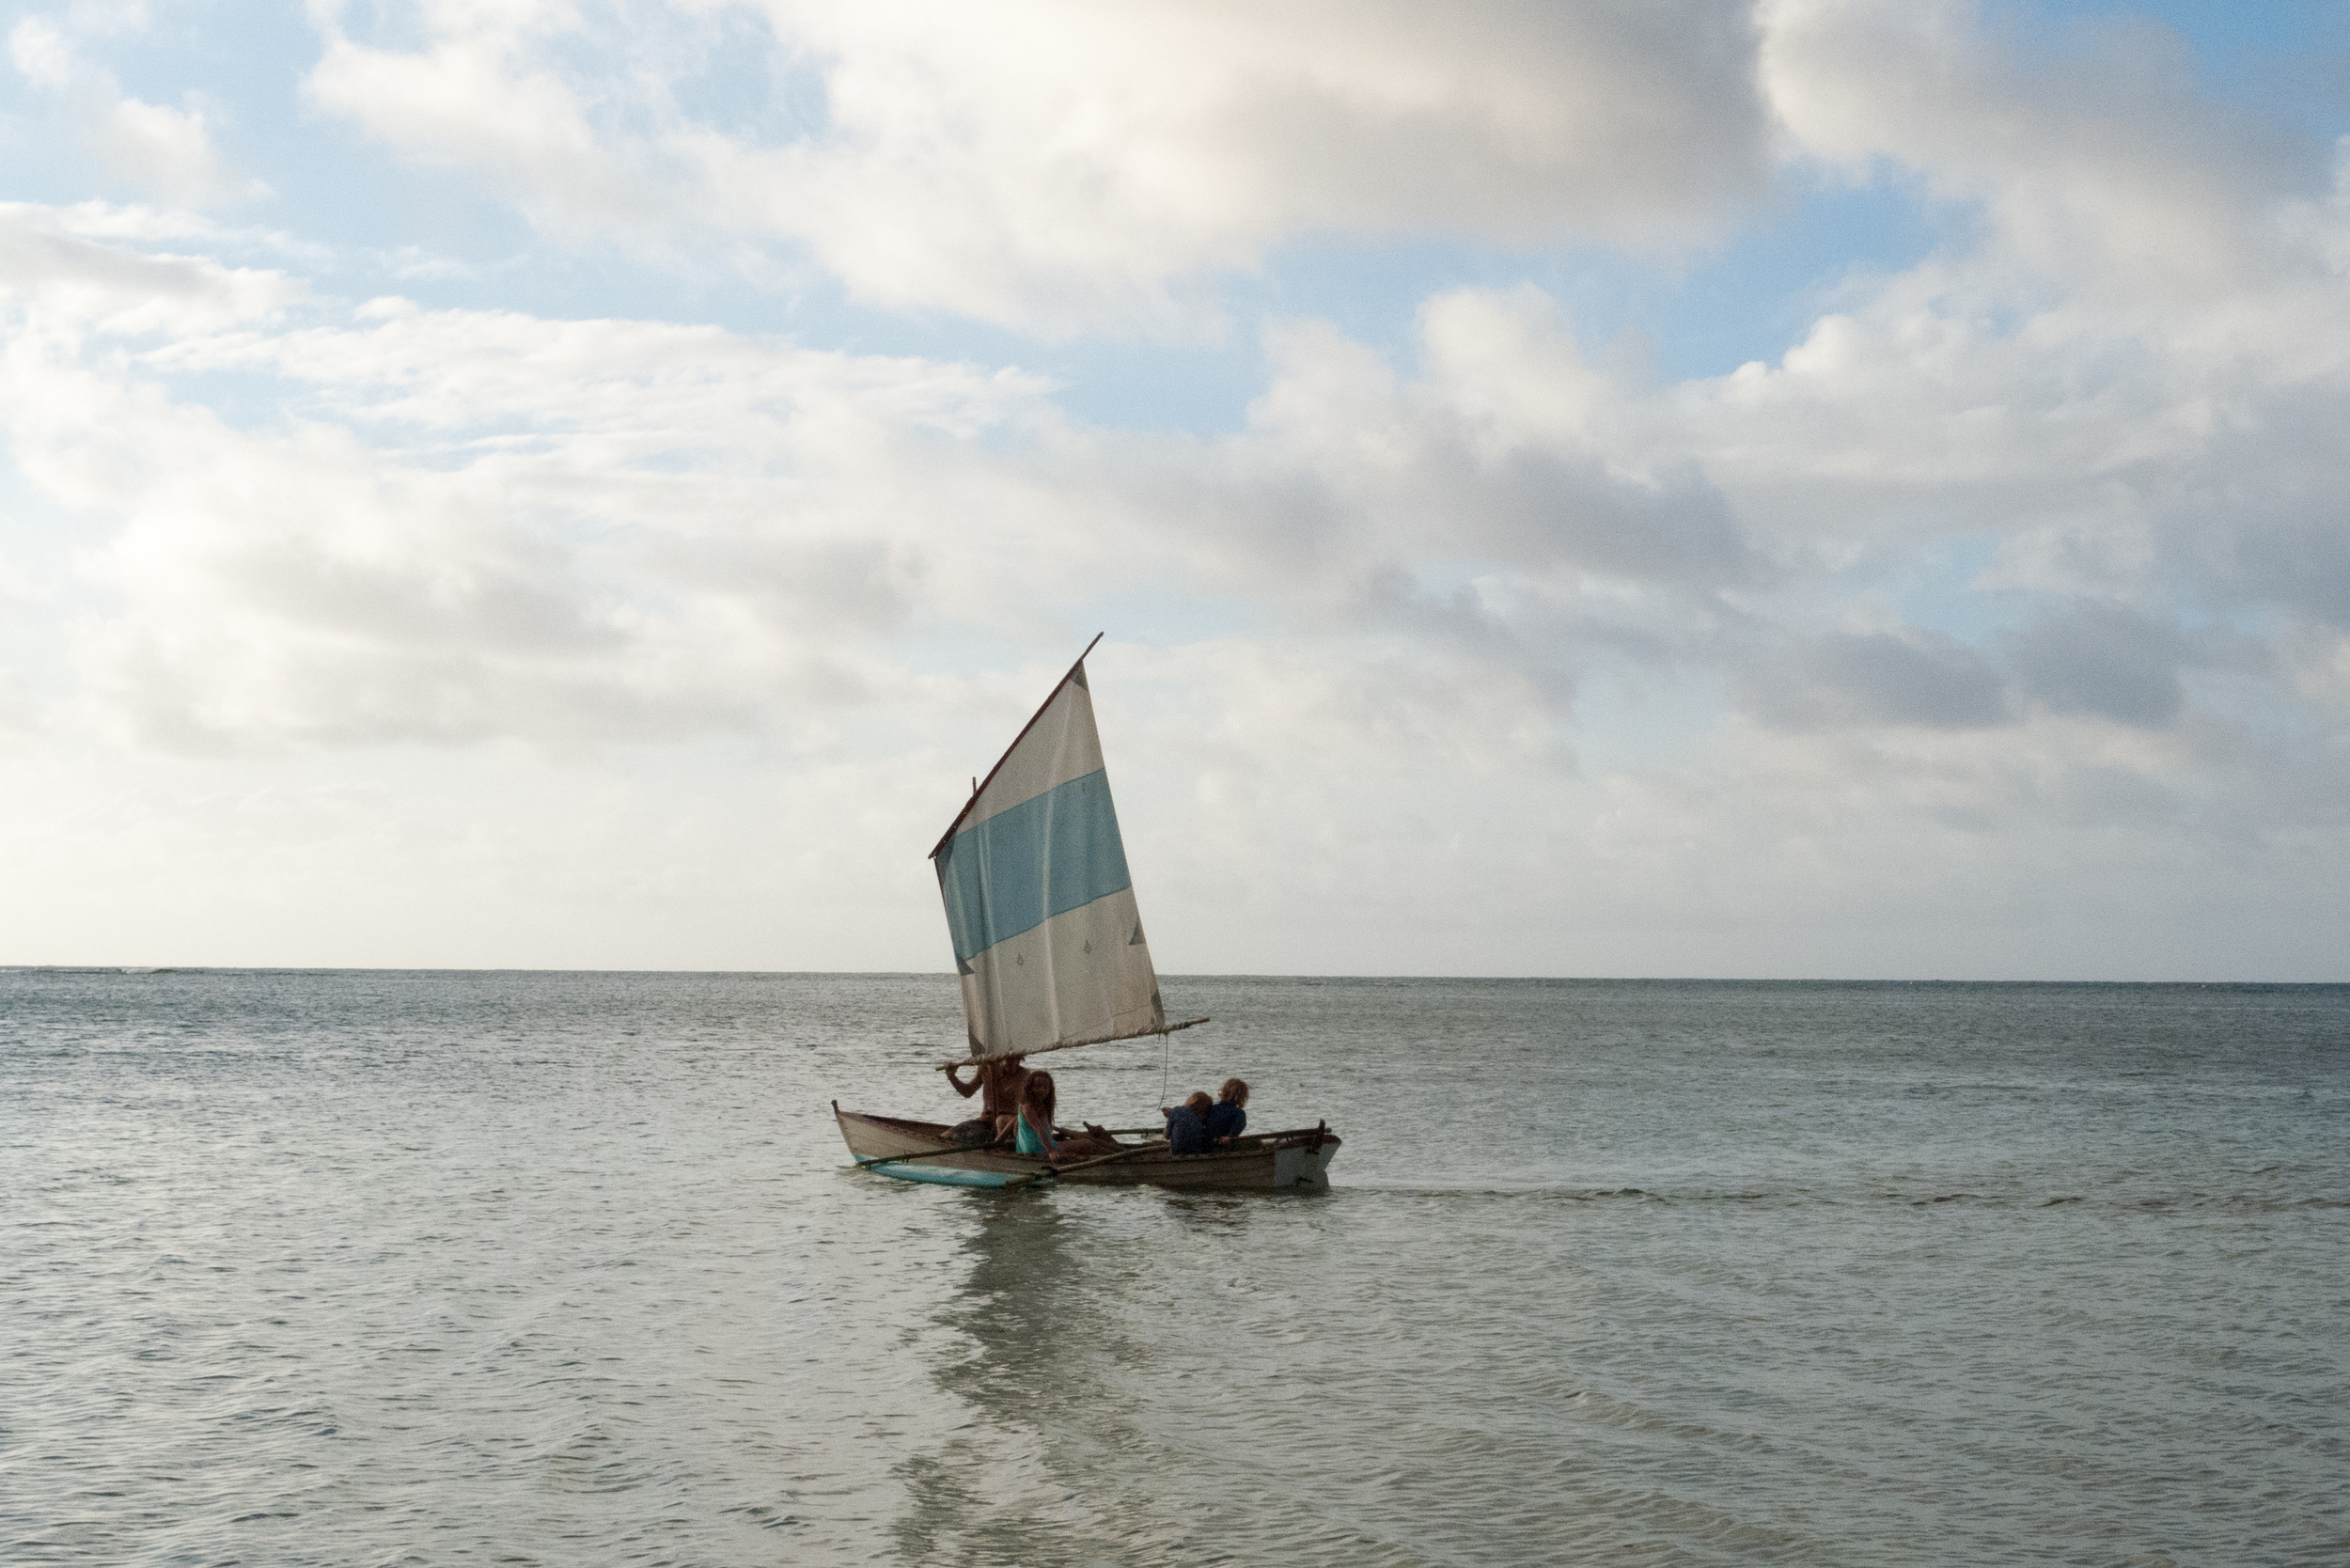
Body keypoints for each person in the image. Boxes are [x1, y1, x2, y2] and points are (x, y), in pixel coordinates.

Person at [942, 1054, 1028, 1144]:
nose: (1013, 1065)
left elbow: (1006, 1094)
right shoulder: (986, 1068)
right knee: (947, 1136)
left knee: (1001, 1121)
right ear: (1001, 1058)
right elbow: (968, 1092)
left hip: (1008, 1121)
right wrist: (952, 1076)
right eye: (1009, 1060)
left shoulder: (1024, 1074)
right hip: (986, 1120)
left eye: (1016, 1060)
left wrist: (996, 1077)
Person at [1162, 1090, 1213, 1155]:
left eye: (1191, 1096)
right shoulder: (1203, 1117)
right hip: (1196, 1153)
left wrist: (1170, 1116)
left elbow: (1166, 1136)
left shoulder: (1177, 1110)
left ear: (1194, 1099)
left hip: (1177, 1154)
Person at [1204, 1077, 1248, 1145]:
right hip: (1224, 1147)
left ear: (1223, 1091)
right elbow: (1233, 1135)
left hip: (1207, 1144)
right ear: (1243, 1096)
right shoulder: (1239, 1114)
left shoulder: (1211, 1108)